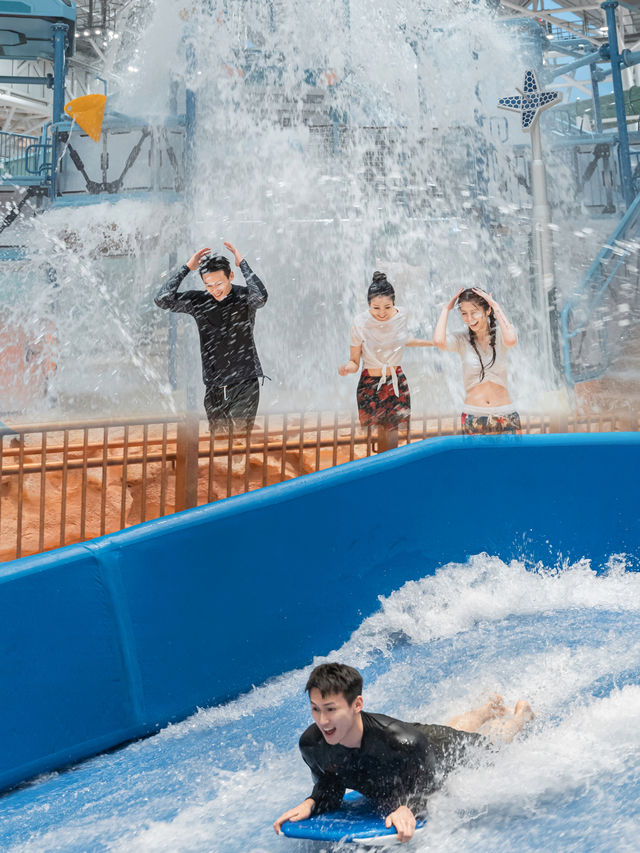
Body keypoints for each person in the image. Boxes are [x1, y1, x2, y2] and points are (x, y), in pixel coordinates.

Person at [273, 662, 534, 843]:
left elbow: (431, 790)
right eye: (315, 709)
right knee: (444, 729)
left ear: (357, 704)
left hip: (432, 751)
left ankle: (521, 715)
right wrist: (312, 803)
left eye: (331, 709)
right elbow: (331, 786)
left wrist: (407, 807)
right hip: (417, 744)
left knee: (489, 748)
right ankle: (485, 709)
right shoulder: (312, 744)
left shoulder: (404, 744)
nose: (323, 720)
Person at [154, 241, 267, 435]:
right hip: (213, 385)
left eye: (219, 283)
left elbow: (261, 297)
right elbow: (162, 299)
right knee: (220, 443)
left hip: (244, 383)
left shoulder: (244, 298)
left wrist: (243, 264)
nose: (215, 290)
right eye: (209, 285)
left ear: (230, 276)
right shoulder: (199, 301)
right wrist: (187, 268)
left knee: (239, 440)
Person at [338, 272, 434, 452]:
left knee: (392, 437)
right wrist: (347, 368)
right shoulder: (359, 322)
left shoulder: (402, 316)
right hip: (369, 385)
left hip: (395, 383)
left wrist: (431, 343)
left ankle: (390, 473)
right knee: (373, 439)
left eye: (387, 307)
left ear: (394, 304)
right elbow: (354, 361)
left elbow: (402, 339)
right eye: (376, 308)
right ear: (368, 305)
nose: (382, 313)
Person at [432, 287, 519, 435]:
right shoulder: (461, 339)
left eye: (474, 312)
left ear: (487, 310)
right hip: (473, 414)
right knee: (475, 459)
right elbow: (439, 341)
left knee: (512, 459)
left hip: (505, 413)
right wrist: (446, 309)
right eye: (464, 314)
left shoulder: (500, 335)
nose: (469, 319)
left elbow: (511, 340)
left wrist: (495, 305)